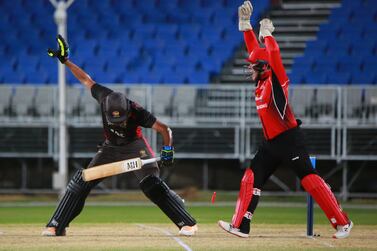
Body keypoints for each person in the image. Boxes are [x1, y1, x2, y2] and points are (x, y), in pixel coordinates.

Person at [218, 1, 353, 239]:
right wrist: (245, 26)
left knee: (310, 180)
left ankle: (343, 223)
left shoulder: (277, 80)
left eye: (252, 68)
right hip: (271, 143)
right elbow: (254, 53)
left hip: (290, 139)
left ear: (263, 67)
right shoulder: (260, 82)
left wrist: (267, 35)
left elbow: (272, 55)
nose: (249, 70)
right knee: (252, 177)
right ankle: (240, 226)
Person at [42, 35, 198, 236]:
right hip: (110, 148)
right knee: (81, 181)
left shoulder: (137, 111)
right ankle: (57, 225)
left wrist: (168, 150)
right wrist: (65, 61)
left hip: (135, 146)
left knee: (151, 185)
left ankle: (188, 223)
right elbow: (85, 79)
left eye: (123, 119)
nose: (121, 123)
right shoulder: (103, 96)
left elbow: (164, 129)